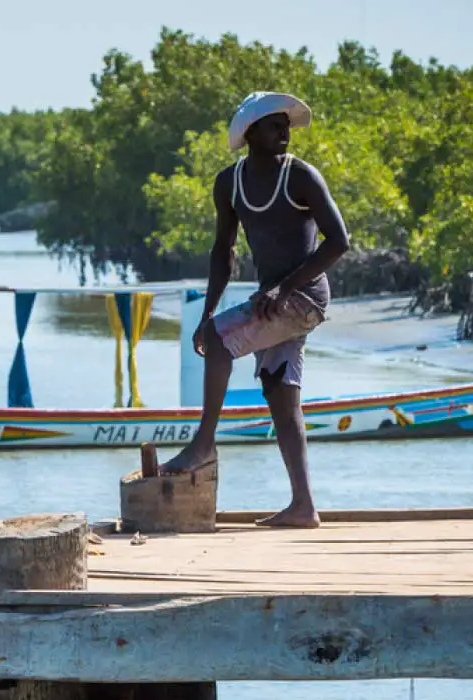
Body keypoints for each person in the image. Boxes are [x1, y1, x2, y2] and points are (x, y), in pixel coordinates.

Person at [159, 91, 351, 528]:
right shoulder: (229, 183)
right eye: (274, 125)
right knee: (280, 397)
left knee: (218, 342)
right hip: (274, 301)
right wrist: (208, 312)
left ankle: (203, 444)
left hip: (303, 298)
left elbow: (339, 242)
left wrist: (284, 287)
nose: (284, 133)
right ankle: (304, 507)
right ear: (250, 133)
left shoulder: (301, 176)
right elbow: (222, 251)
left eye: (286, 125)